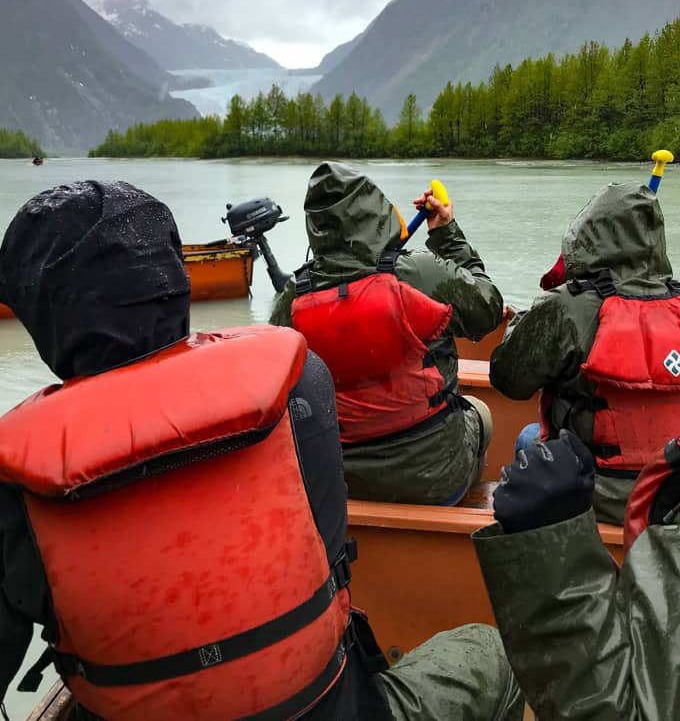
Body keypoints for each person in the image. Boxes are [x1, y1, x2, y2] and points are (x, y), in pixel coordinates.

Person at [0, 180, 522, 721]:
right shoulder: (298, 384)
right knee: (493, 653)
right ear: (175, 281)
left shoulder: (17, 476)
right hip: (330, 707)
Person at [270, 161, 504, 506]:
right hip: (436, 478)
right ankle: (459, 521)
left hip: (341, 480)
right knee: (480, 412)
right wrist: (445, 233)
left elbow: (277, 382)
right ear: (376, 212)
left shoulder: (294, 295)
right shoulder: (418, 272)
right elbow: (488, 309)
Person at [490, 181, 680, 525]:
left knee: (528, 438)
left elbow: (509, 381)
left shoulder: (567, 305)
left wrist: (528, 318)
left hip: (595, 492)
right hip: (673, 494)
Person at [473, 427, 680, 719]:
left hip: (604, 488)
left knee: (484, 647)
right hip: (630, 495)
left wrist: (548, 532)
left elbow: (515, 384)